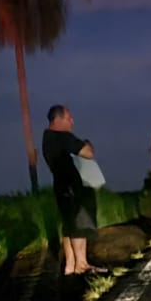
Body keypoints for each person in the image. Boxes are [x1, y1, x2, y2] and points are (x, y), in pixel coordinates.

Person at [42, 104, 102, 275]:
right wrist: (87, 143)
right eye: (69, 118)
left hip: (60, 186)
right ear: (58, 119)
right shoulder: (62, 137)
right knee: (79, 224)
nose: (72, 122)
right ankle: (82, 264)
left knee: (68, 225)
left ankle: (71, 265)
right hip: (72, 187)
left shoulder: (47, 138)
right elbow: (88, 153)